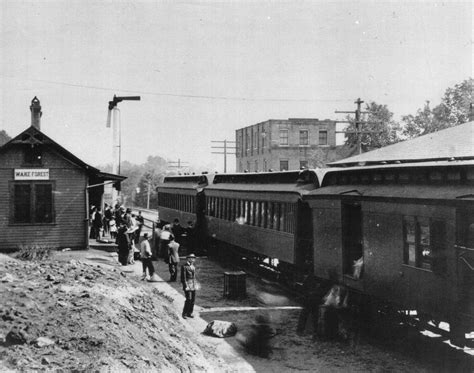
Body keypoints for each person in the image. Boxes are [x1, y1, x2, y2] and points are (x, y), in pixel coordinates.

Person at [181, 253, 197, 319]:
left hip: (193, 284)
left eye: (193, 258)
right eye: (191, 258)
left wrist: (195, 284)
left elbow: (194, 277)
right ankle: (184, 313)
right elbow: (183, 277)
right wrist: (185, 285)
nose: (193, 259)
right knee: (189, 299)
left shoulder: (193, 266)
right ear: (188, 259)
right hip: (187, 284)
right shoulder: (184, 266)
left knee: (193, 299)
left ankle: (189, 313)